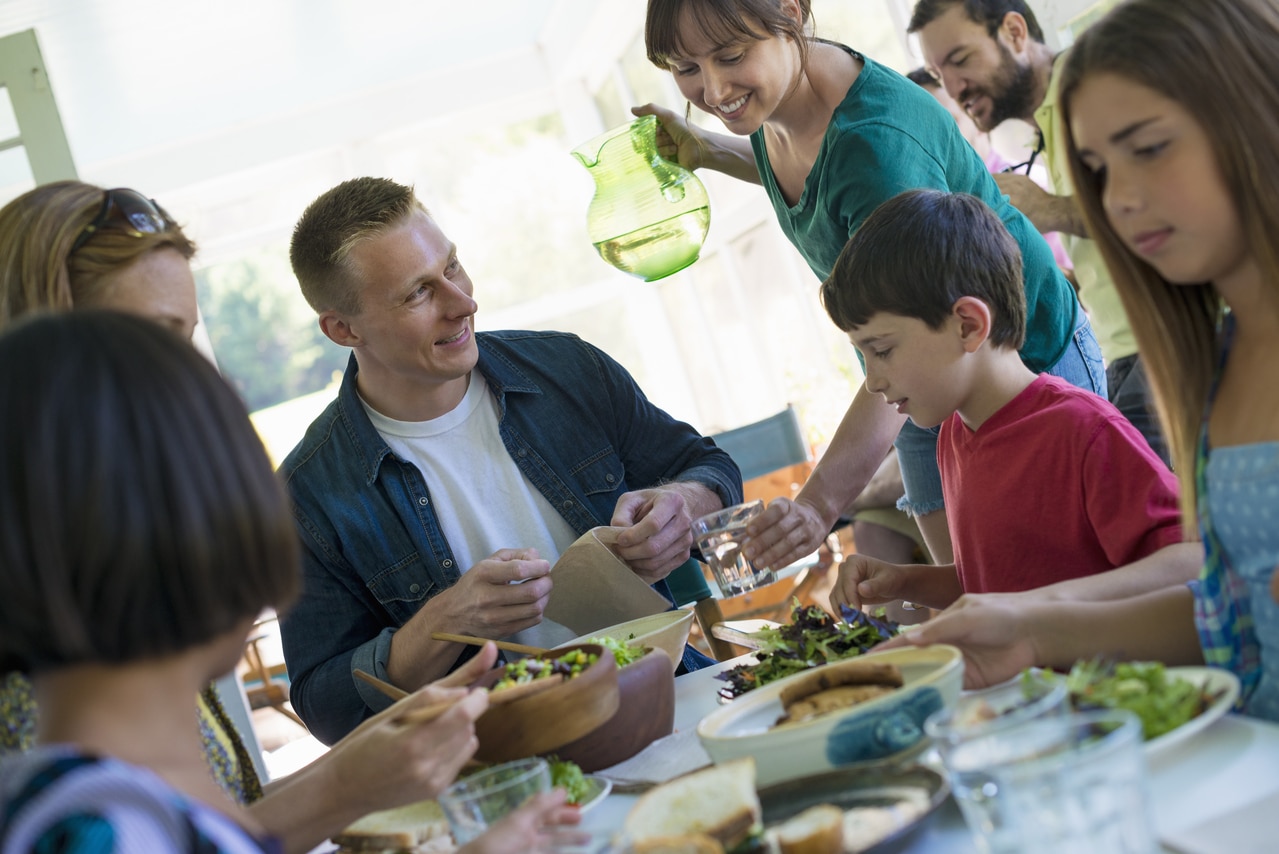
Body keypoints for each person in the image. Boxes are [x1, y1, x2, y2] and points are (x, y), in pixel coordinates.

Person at [0, 181, 576, 854]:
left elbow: (202, 829)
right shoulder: (54, 752)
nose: (190, 384)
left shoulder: (99, 666)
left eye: (185, 340)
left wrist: (358, 776)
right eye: (152, 347)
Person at [885, 0, 1279, 722]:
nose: (1117, 200)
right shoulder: (1208, 367)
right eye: (1094, 169)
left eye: (1150, 148)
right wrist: (1029, 632)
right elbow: (1230, 616)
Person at [634, 0, 1104, 577]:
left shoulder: (875, 146)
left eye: (731, 56)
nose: (712, 89)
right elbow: (815, 171)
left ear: (791, 12)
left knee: (1055, 583)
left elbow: (917, 334)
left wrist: (817, 506)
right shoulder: (783, 96)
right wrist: (707, 148)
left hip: (1022, 353)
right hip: (916, 375)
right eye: (685, 68)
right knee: (977, 587)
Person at [279, 177, 742, 744]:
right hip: (498, 770)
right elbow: (326, 708)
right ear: (342, 329)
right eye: (418, 293)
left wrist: (682, 505)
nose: (463, 303)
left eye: (452, 268)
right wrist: (440, 625)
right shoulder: (306, 497)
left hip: (670, 702)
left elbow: (711, 469)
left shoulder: (568, 368)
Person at [821, 189, 1197, 614]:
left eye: (882, 350)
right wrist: (904, 580)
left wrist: (1045, 609)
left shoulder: (1082, 430)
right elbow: (993, 586)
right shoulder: (953, 439)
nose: (871, 382)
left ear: (968, 326)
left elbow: (1188, 558)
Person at [909, 0, 1169, 466]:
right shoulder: (1049, 120)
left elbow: (1169, 206)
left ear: (1014, 33)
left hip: (1167, 346)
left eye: (961, 60)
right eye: (937, 70)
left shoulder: (1095, 89)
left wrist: (1048, 209)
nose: (952, 87)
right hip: (1131, 351)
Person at [903, 65, 1072, 272]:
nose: (932, 139)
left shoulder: (1035, 188)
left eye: (946, 123)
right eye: (919, 130)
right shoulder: (923, 222)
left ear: (975, 118)